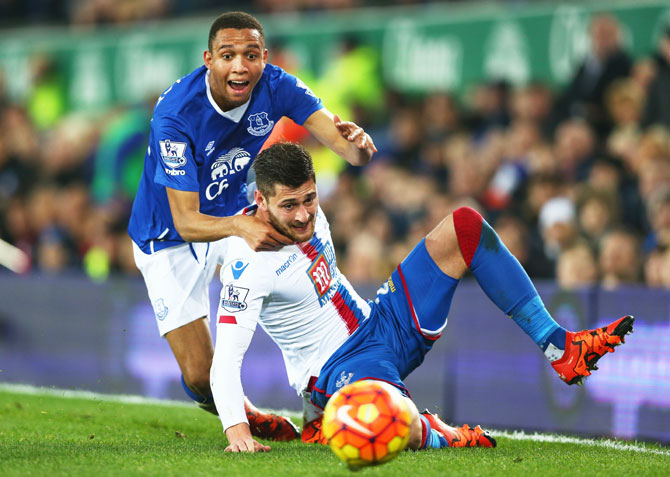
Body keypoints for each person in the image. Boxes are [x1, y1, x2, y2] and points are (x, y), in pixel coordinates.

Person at [210, 142, 634, 452]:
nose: (304, 214)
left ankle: (561, 347)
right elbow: (226, 358)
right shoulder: (247, 264)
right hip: (340, 367)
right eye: (289, 206)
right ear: (260, 201)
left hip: (382, 319)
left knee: (464, 227)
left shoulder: (307, 208)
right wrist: (237, 432)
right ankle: (442, 433)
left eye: (309, 198)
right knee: (391, 427)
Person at [127, 12, 377, 441]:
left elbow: (342, 145)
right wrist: (241, 230)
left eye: (250, 55)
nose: (240, 66)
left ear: (265, 58)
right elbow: (186, 220)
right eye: (228, 55)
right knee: (199, 378)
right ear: (209, 60)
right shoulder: (175, 115)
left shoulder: (279, 85)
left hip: (236, 208)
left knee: (294, 238)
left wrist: (360, 150)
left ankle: (323, 391)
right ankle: (249, 415)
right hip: (168, 236)